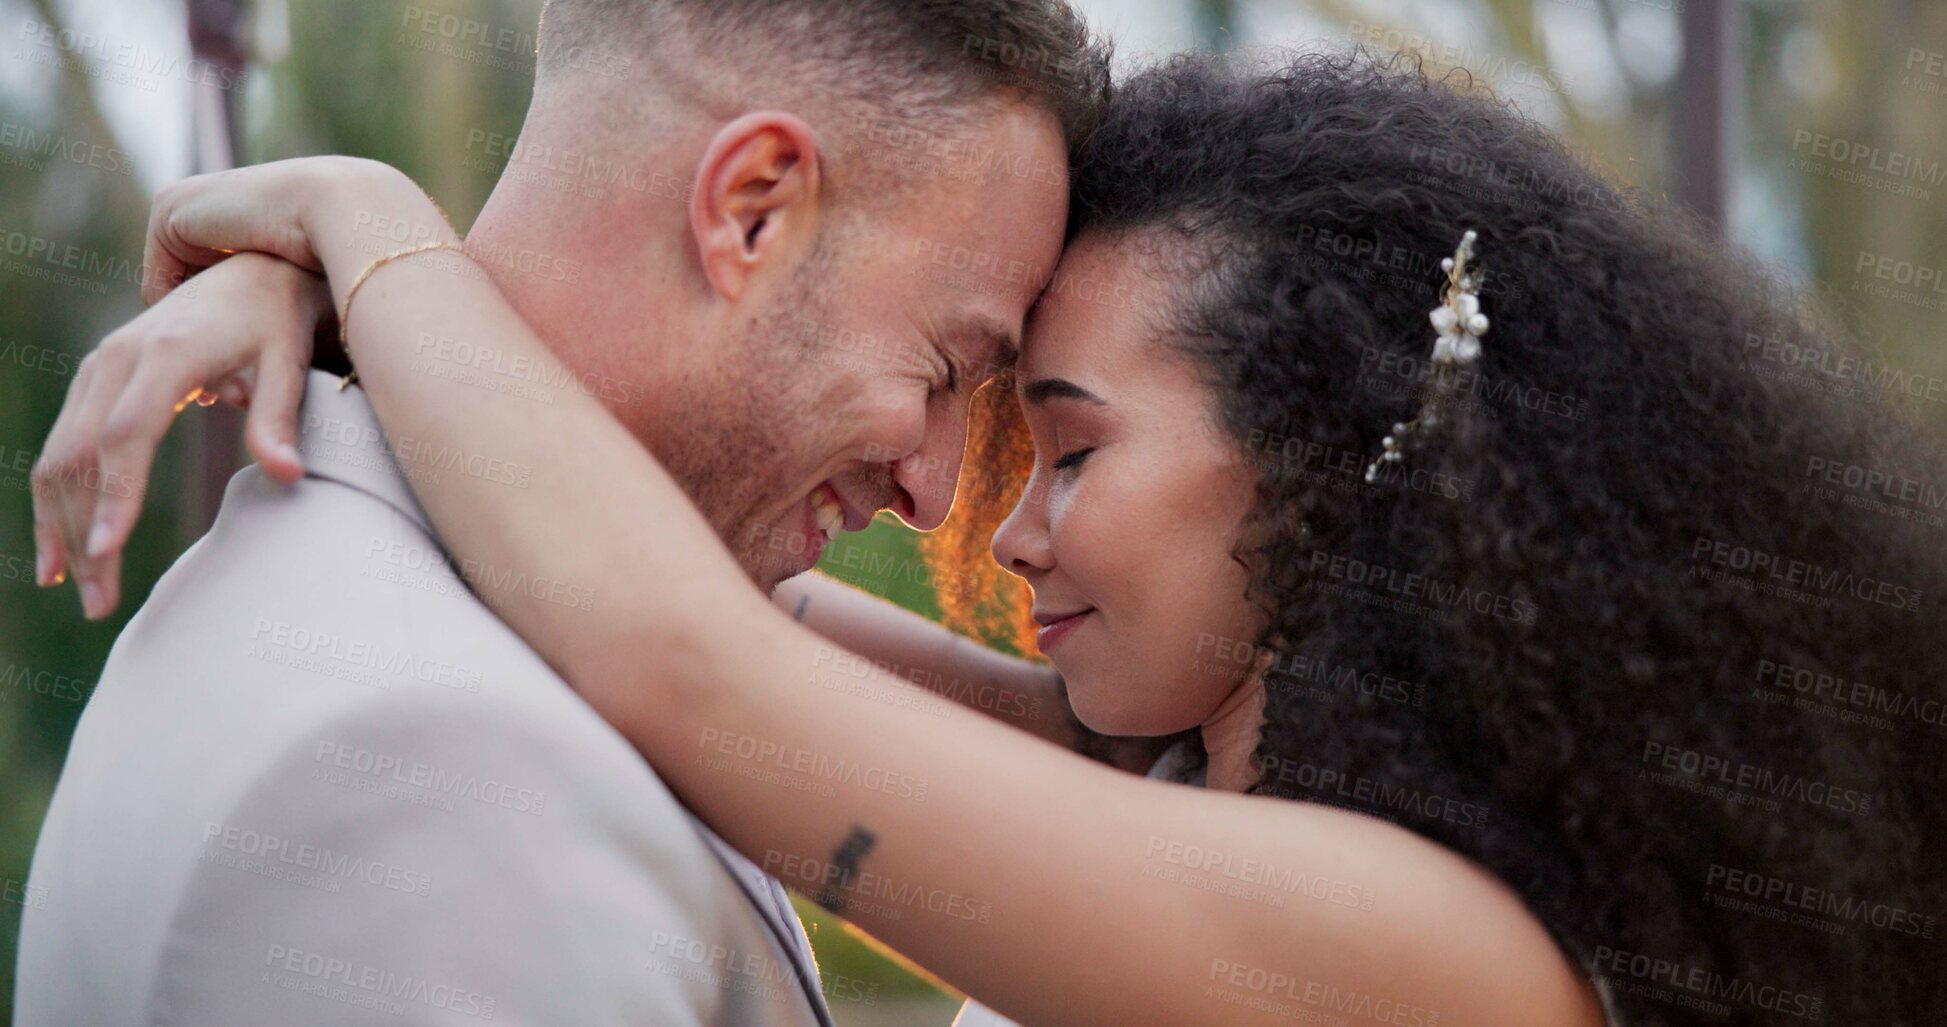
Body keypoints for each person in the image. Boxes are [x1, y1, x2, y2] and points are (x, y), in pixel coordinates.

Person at [40, 51, 1946, 1026]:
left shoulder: (1425, 946)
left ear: (1311, 460)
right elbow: (685, 561)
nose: (999, 529)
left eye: (1061, 447)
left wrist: (357, 219)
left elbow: (676, 649)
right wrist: (354, 326)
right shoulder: (1181, 780)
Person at [15, 1, 1108, 1024]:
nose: (934, 494)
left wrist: (362, 244)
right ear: (753, 208)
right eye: (940, 369)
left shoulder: (432, 617)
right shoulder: (436, 777)